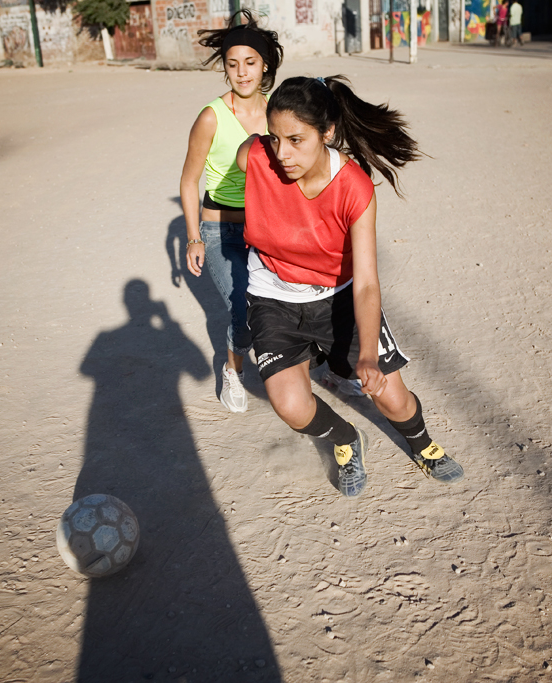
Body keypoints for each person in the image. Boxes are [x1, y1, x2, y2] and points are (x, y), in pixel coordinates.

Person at [235, 76, 464, 497]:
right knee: (289, 405)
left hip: (337, 297)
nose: (282, 153)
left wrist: (369, 357)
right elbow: (244, 169)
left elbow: (367, 283)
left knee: (391, 397)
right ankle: (344, 438)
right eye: (275, 138)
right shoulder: (253, 156)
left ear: (328, 133)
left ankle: (421, 444)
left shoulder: (354, 188)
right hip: (273, 295)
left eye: (296, 140)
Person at [179, 10, 283, 413]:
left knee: (290, 300)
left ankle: (320, 365)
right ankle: (233, 371)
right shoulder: (211, 117)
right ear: (225, 68)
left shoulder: (279, 111)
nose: (242, 73)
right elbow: (189, 181)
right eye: (233, 64)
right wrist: (192, 238)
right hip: (220, 231)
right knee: (242, 308)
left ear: (265, 65)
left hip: (268, 227)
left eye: (250, 63)